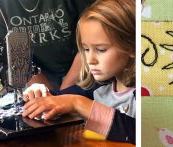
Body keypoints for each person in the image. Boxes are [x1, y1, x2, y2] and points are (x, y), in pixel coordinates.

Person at [22, 0, 136, 144]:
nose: (90, 60)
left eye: (101, 50)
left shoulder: (145, 94)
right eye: (86, 49)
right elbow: (58, 99)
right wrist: (39, 92)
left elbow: (139, 131)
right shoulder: (97, 88)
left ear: (132, 46)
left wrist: (78, 103)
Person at [0, 0, 95, 90]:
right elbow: (15, 55)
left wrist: (64, 93)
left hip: (81, 63)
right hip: (33, 71)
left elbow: (93, 39)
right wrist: (49, 98)